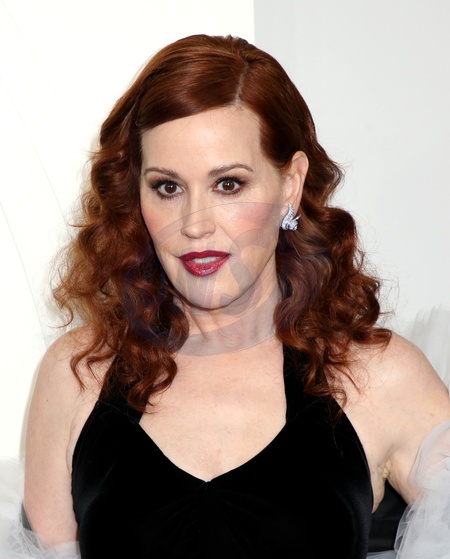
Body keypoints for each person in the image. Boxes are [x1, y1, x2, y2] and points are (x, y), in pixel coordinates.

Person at [3, 34, 450, 558]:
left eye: (229, 185)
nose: (195, 225)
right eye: (168, 187)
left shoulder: (377, 377)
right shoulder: (78, 375)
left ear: (290, 184)